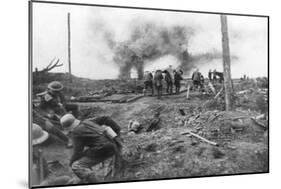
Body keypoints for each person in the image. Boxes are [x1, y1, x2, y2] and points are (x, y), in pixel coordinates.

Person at [60, 114, 123, 183]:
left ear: (69, 127)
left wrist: (71, 162)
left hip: (104, 149)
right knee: (85, 153)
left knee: (76, 166)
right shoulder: (87, 121)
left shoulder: (76, 132)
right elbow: (105, 118)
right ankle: (89, 175)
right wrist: (117, 130)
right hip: (113, 143)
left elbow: (77, 152)